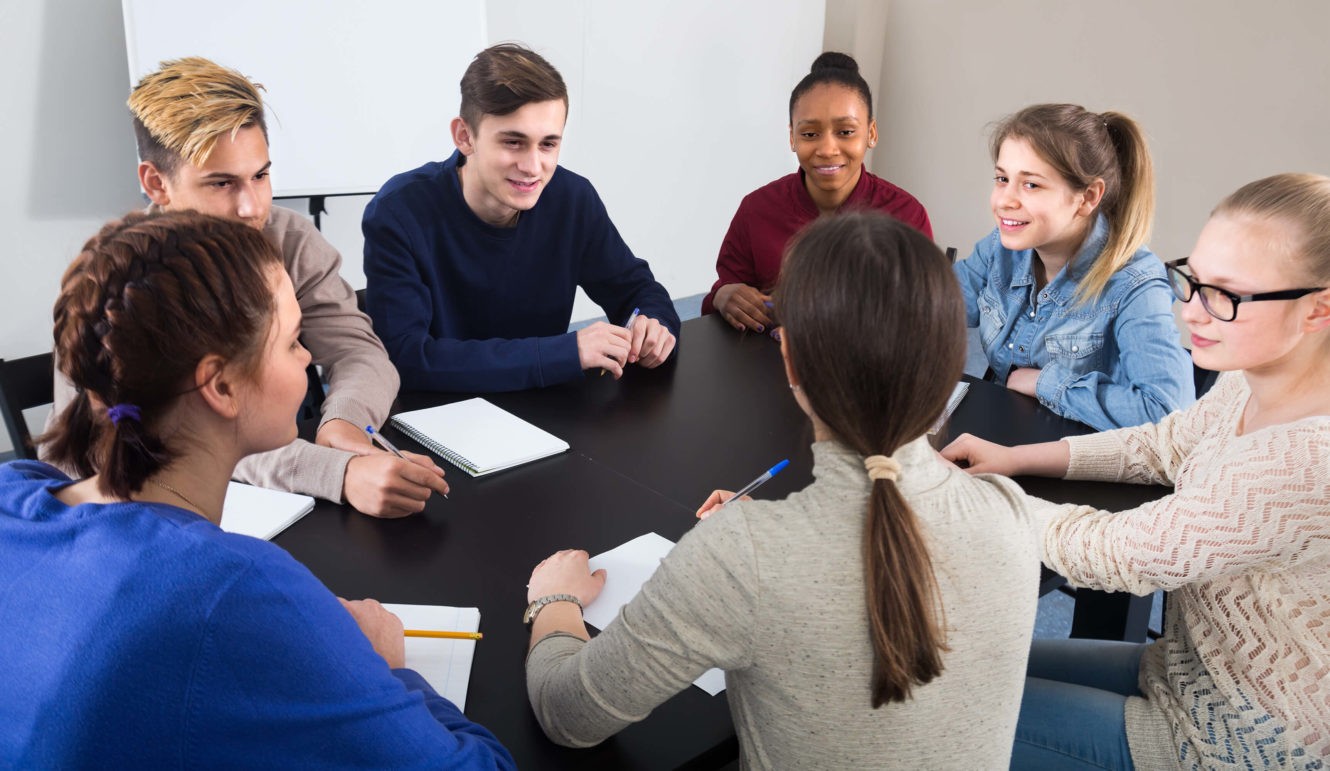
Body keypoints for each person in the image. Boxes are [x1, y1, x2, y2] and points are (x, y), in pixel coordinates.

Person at [523, 213, 1039, 767]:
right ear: (953, 361)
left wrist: (554, 601)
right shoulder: (1009, 511)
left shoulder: (741, 559)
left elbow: (567, 715)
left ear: (788, 358)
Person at [1, 211, 513, 768]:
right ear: (221, 385)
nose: (310, 357)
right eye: (293, 341)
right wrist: (391, 668)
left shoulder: (13, 491)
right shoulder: (234, 592)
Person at [942, 173, 1330, 768]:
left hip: (1229, 745)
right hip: (1183, 672)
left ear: (1317, 310)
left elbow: (1120, 555)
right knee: (954, 669)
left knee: (928, 705)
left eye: (1224, 294)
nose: (1189, 310)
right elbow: (1161, 446)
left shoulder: (1303, 459)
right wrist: (1016, 459)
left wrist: (977, 497)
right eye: (1192, 279)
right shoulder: (1246, 384)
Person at [44, 56, 448, 518]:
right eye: (221, 183)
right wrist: (332, 471)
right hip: (126, 517)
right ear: (156, 183)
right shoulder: (114, 282)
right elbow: (157, 444)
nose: (251, 207)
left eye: (260, 175)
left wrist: (344, 424)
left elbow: (359, 353)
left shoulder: (289, 240)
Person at [363, 43, 680, 392]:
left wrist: (653, 323)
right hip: (438, 416)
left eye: (548, 145)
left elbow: (636, 289)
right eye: (513, 142)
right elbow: (408, 359)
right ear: (465, 136)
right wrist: (565, 353)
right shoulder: (398, 211)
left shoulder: (572, 199)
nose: (532, 168)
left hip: (548, 411)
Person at [953, 103, 1193, 431]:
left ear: (1088, 197)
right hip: (998, 439)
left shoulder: (1135, 284)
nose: (1005, 200)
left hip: (1077, 466)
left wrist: (1044, 384)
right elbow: (939, 305)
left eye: (1031, 184)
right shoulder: (1003, 246)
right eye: (1002, 178)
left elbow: (1169, 412)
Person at [702, 51, 932, 332]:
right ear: (792, 138)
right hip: (767, 367)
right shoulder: (756, 209)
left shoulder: (906, 215)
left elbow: (918, 322)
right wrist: (723, 296)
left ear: (871, 133)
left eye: (846, 132)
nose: (827, 150)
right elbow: (723, 298)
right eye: (810, 134)